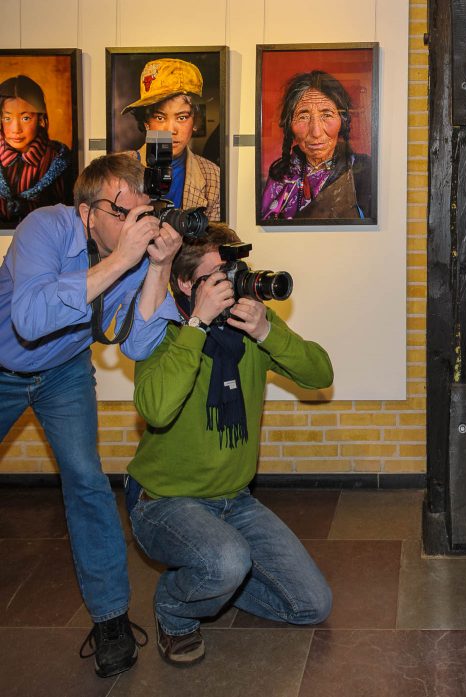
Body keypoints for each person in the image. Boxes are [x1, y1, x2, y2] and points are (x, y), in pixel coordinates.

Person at [0, 153, 182, 676]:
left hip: (64, 373)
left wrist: (160, 266)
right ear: (87, 213)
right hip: (3, 366)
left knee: (87, 482)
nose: (136, 225)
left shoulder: (132, 255)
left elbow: (140, 347)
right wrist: (123, 261)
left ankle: (111, 620)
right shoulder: (45, 226)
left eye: (143, 212)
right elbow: (31, 318)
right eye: (122, 212)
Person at [125, 223, 333, 666]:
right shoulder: (160, 327)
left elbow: (320, 375)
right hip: (163, 502)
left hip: (233, 501)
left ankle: (218, 578)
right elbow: (156, 409)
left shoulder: (250, 324)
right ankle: (176, 609)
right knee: (226, 560)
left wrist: (266, 333)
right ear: (186, 283)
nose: (235, 282)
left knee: (312, 604)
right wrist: (196, 325)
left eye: (237, 271)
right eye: (220, 275)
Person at [261, 70, 372, 221]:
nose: (316, 132)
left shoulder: (363, 170)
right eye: (303, 117)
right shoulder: (281, 175)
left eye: (327, 115)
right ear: (289, 125)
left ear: (342, 121)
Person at [120, 58, 221, 220]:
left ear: (195, 121)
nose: (170, 130)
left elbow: (212, 241)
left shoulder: (213, 176)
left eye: (181, 117)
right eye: (160, 118)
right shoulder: (117, 170)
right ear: (146, 123)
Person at [0, 75, 74, 224]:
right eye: (7, 118)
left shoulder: (58, 159)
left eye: (25, 118)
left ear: (40, 118)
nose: (16, 129)